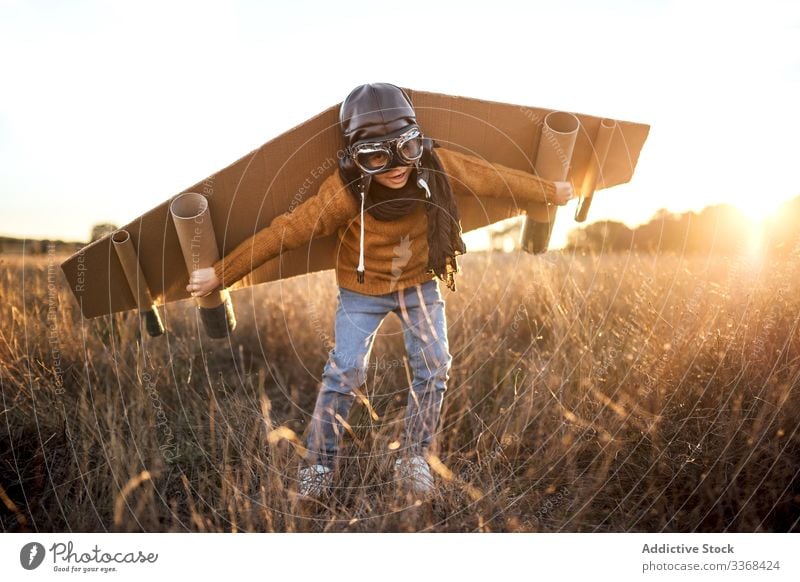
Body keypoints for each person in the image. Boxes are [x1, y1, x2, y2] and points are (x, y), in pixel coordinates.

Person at [186, 82, 574, 500]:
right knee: (346, 370)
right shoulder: (343, 191)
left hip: (419, 283)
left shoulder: (435, 166)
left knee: (435, 365)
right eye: (375, 156)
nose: (395, 167)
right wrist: (220, 275)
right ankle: (320, 462)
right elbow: (287, 232)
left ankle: (413, 457)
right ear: (355, 156)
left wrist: (549, 192)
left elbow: (491, 179)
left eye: (405, 150)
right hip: (362, 290)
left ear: (418, 144)